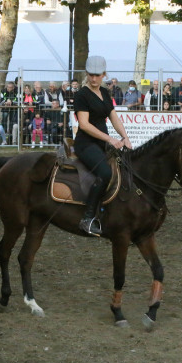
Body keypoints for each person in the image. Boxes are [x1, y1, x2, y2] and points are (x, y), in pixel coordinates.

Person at [74, 56, 132, 236]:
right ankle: (88, 217)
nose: (93, 79)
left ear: (104, 75)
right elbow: (84, 124)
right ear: (86, 74)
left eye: (97, 75)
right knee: (105, 172)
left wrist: (125, 137)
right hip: (85, 144)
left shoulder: (106, 93)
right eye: (90, 75)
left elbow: (114, 117)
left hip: (100, 143)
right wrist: (109, 139)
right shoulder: (81, 95)